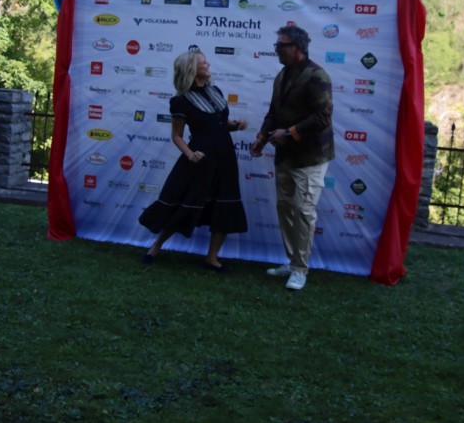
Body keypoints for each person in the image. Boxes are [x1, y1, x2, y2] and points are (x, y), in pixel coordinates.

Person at [138, 48, 247, 271]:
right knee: (183, 204)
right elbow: (177, 136)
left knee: (224, 204)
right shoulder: (180, 101)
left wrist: (235, 125)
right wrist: (190, 154)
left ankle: (212, 258)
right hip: (200, 159)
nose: (208, 65)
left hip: (225, 157)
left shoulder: (216, 91)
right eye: (203, 62)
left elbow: (220, 123)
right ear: (191, 69)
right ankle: (156, 247)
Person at [251, 26, 334, 291]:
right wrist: (262, 137)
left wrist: (289, 133)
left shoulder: (317, 76)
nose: (276, 49)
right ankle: (292, 261)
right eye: (277, 45)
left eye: (281, 45)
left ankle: (300, 269)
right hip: (285, 155)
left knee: (304, 211)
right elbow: (273, 112)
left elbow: (323, 118)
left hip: (310, 158)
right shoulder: (281, 75)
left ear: (297, 48)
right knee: (286, 208)